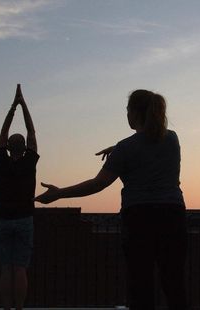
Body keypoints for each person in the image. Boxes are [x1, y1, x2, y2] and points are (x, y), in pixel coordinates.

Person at [35, 89, 187, 310]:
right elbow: (147, 145)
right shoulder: (172, 139)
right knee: (174, 283)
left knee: (140, 284)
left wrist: (59, 193)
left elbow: (98, 184)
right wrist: (117, 149)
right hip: (173, 215)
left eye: (127, 110)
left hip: (140, 218)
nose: (126, 115)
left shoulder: (126, 148)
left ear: (135, 113)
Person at [0, 84, 39, 310]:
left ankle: (6, 308)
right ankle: (19, 308)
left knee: (6, 268)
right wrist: (23, 105)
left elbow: (3, 133)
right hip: (24, 219)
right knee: (20, 268)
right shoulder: (30, 162)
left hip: (3, 218)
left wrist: (13, 107)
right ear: (23, 148)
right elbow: (32, 133)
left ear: (9, 147)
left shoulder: (1, 161)